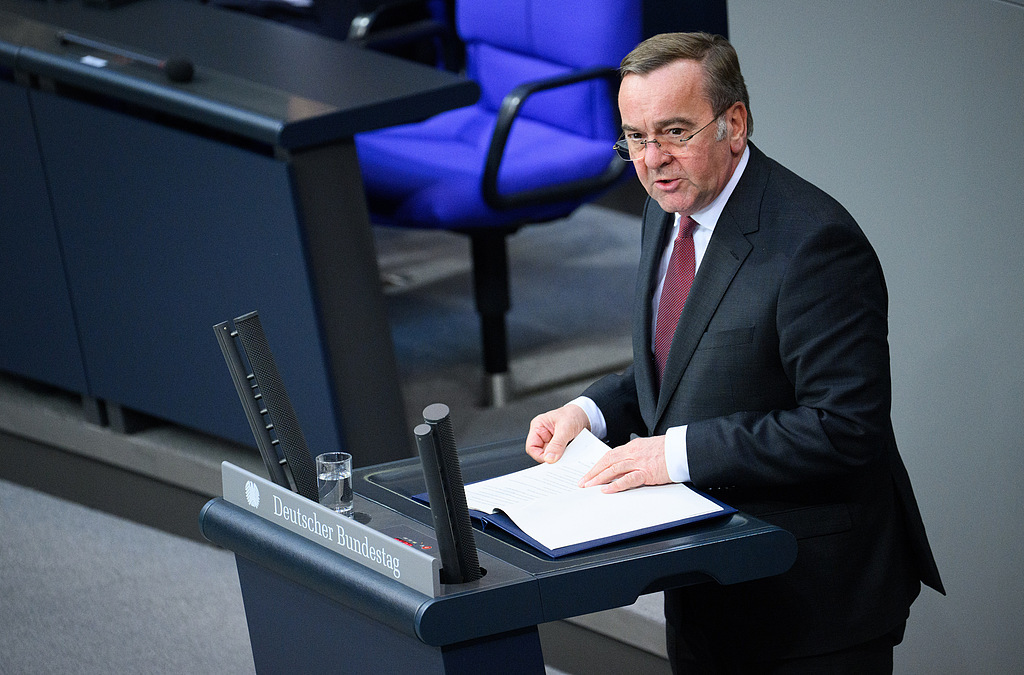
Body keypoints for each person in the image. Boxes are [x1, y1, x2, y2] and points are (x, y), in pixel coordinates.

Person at [525, 32, 944, 673]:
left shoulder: (815, 245)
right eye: (635, 137)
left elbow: (843, 428)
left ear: (735, 124)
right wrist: (590, 412)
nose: (653, 160)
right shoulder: (667, 208)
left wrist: (672, 454)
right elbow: (686, 360)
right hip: (704, 587)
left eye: (674, 132)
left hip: (810, 605)